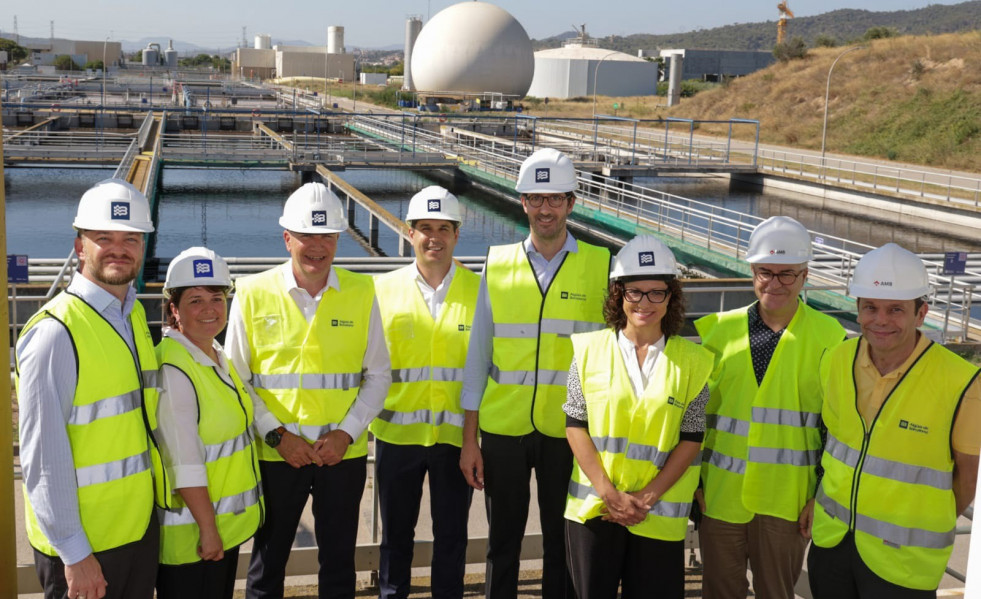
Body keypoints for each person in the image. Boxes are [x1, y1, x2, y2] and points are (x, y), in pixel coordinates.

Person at [225, 182, 392, 599]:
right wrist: (278, 437)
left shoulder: (362, 292)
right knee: (267, 565)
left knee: (338, 567)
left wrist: (346, 433)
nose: (317, 247)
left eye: (327, 237)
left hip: (342, 455)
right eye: (307, 236)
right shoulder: (250, 293)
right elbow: (236, 379)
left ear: (338, 239)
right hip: (278, 454)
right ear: (287, 238)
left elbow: (379, 375)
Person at [460, 148, 611, 599]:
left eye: (555, 199)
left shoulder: (600, 267)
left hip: (568, 432)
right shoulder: (498, 262)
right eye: (535, 198)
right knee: (501, 542)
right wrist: (470, 440)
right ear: (522, 202)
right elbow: (477, 358)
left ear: (571, 203)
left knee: (561, 543)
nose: (545, 209)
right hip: (503, 429)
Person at [807, 243, 981, 598]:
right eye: (870, 307)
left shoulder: (962, 382)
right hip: (832, 543)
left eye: (896, 310)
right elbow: (832, 446)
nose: (881, 320)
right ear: (857, 309)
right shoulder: (836, 359)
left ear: (921, 313)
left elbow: (966, 480)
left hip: (904, 564)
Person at [16, 179, 162, 599]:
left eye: (130, 238)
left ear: (142, 246)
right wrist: (75, 553)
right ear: (80, 247)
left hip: (135, 528)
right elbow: (42, 458)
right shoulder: (55, 335)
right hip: (85, 546)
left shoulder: (131, 315)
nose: (119, 249)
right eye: (104, 239)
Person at [694, 216, 846, 599]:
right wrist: (693, 481)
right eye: (766, 272)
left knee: (776, 594)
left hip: (788, 502)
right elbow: (693, 417)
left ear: (805, 275)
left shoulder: (831, 338)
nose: (775, 283)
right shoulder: (717, 331)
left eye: (787, 274)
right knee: (719, 592)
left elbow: (840, 429)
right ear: (751, 271)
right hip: (720, 497)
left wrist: (821, 497)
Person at [563, 236, 713, 599]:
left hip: (656, 514)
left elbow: (692, 438)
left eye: (656, 292)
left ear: (671, 296)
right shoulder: (587, 350)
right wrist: (609, 495)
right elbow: (575, 425)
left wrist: (644, 499)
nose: (645, 303)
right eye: (635, 292)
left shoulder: (694, 362)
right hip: (595, 509)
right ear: (619, 294)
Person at [371, 187, 479, 599]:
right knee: (396, 539)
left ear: (456, 234)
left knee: (452, 540)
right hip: (397, 439)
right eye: (425, 228)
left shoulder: (480, 291)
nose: (434, 237)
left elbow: (481, 371)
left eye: (444, 229)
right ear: (409, 233)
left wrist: (473, 441)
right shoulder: (381, 290)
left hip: (456, 442)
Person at [155, 247, 263, 599]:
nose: (209, 310)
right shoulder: (174, 369)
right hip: (193, 538)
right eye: (195, 301)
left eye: (217, 299)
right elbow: (183, 462)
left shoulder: (214, 354)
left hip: (218, 528)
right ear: (174, 309)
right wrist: (208, 529)